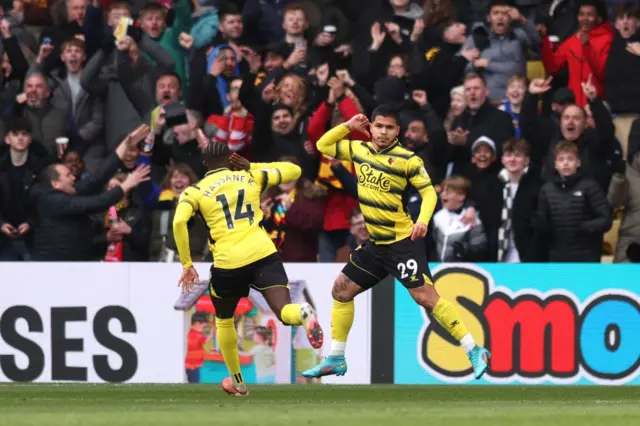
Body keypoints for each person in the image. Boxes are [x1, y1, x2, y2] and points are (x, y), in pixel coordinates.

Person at [302, 105, 490, 380]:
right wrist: (349, 126)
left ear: (397, 131)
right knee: (341, 291)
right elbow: (322, 144)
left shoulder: (408, 160)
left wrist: (423, 220)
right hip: (376, 245)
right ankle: (336, 357)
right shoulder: (359, 150)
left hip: (402, 242)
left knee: (424, 297)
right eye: (378, 126)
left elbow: (429, 195)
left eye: (389, 127)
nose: (383, 132)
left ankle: (474, 349)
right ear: (371, 127)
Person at [172, 143, 323, 396]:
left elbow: (179, 221)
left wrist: (187, 264)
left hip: (229, 263)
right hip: (264, 254)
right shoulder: (250, 175)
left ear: (205, 164)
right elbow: (294, 171)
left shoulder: (195, 191)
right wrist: (252, 165)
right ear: (230, 160)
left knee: (224, 320)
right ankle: (303, 312)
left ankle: (238, 382)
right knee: (285, 311)